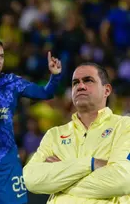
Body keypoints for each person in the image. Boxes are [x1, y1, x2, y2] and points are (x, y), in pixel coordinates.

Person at [0, 38, 62, 204]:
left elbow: (45, 93)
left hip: (6, 158)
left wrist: (54, 77)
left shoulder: (11, 82)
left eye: (1, 57)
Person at [23, 63, 130, 203]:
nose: (80, 86)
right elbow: (30, 179)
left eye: (88, 80)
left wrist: (61, 178)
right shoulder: (54, 134)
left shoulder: (124, 126)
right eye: (75, 83)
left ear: (107, 90)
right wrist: (90, 164)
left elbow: (121, 180)